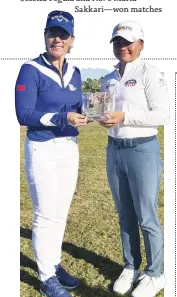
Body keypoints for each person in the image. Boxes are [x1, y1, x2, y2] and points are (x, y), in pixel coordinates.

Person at [15, 10, 87, 297]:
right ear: (45, 36)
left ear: (72, 40)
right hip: (42, 147)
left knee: (60, 213)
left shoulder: (76, 72)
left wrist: (91, 114)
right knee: (45, 214)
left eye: (63, 35)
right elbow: (24, 114)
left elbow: (79, 108)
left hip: (69, 148)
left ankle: (53, 263)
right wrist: (62, 118)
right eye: (51, 33)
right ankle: (46, 278)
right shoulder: (30, 70)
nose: (57, 39)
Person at [100, 20, 170, 297]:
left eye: (128, 42)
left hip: (142, 149)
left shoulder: (149, 73)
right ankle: (131, 266)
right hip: (114, 148)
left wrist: (125, 117)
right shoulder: (108, 78)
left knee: (146, 215)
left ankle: (155, 274)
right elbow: (106, 113)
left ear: (141, 43)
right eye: (117, 42)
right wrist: (103, 120)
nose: (123, 47)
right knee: (125, 214)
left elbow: (163, 115)